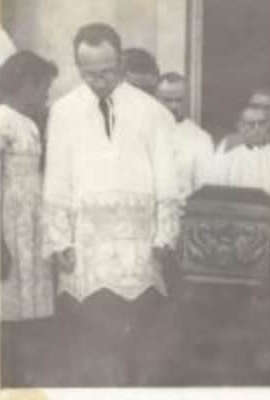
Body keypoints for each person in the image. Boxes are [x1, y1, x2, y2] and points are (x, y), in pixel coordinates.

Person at [42, 23, 181, 385]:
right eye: (89, 74)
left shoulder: (152, 112)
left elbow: (168, 181)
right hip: (86, 247)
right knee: (93, 341)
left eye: (106, 72)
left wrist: (165, 236)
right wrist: (59, 241)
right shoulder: (63, 112)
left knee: (136, 339)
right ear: (78, 66)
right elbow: (56, 178)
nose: (99, 82)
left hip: (139, 245)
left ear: (119, 62)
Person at [0, 51, 58, 386]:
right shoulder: (0, 120)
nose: (45, 97)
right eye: (43, 89)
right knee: (7, 301)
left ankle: (25, 377)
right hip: (9, 225)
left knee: (29, 304)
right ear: (24, 84)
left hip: (30, 222)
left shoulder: (31, 124)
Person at [156, 72, 214, 198]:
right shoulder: (145, 131)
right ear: (156, 99)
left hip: (183, 207)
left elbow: (204, 188)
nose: (174, 106)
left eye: (179, 100)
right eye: (167, 100)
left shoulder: (200, 138)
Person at [211, 105, 270, 197]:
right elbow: (217, 190)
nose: (257, 128)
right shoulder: (229, 158)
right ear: (241, 127)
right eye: (251, 124)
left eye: (261, 123)